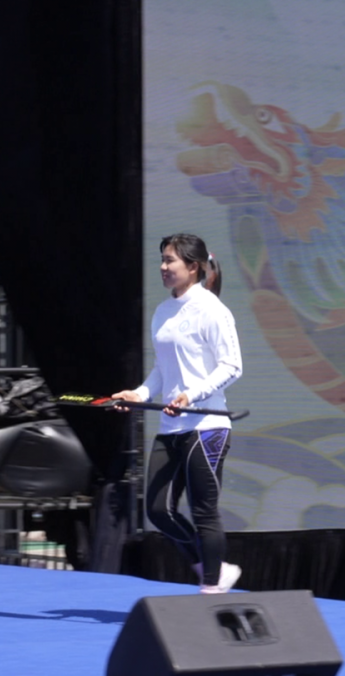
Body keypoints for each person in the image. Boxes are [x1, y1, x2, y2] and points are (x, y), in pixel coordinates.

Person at [112, 233, 243, 594]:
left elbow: (232, 366)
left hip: (207, 426)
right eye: (162, 260)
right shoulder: (162, 311)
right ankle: (212, 568)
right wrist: (138, 394)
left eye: (170, 260)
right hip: (171, 427)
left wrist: (192, 395)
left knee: (203, 511)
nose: (163, 267)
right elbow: (162, 369)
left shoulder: (213, 310)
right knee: (158, 511)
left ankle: (212, 587)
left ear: (193, 267)